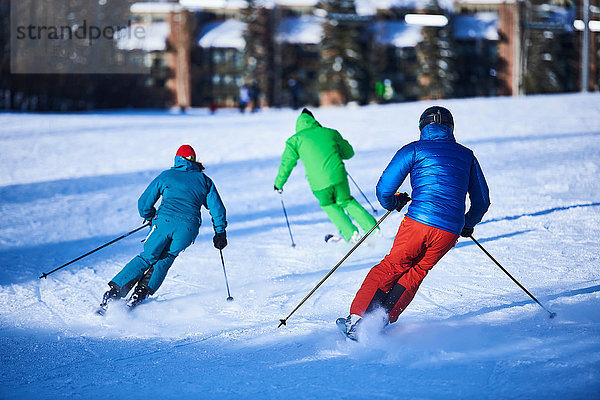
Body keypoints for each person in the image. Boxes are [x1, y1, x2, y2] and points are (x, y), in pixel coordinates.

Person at [337, 106, 490, 340]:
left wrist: (392, 202)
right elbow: (482, 201)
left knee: (392, 266)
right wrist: (467, 224)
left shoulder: (415, 150)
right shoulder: (466, 155)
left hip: (419, 221)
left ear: (422, 126)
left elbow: (384, 188)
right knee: (416, 271)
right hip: (449, 230)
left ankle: (358, 319)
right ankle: (377, 322)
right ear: (450, 127)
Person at [98, 144, 228, 311]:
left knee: (147, 257)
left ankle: (114, 294)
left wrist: (150, 217)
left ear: (177, 159)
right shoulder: (205, 180)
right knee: (166, 258)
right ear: (194, 160)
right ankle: (139, 295)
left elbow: (144, 202)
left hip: (163, 224)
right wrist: (220, 233)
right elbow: (218, 209)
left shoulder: (167, 176)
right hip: (188, 230)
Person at [274, 108, 377, 243]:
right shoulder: (330, 133)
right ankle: (373, 229)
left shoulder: (294, 141)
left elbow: (287, 164)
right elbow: (349, 153)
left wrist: (278, 184)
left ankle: (351, 234)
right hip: (338, 176)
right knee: (346, 201)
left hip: (318, 184)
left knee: (328, 205)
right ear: (314, 120)